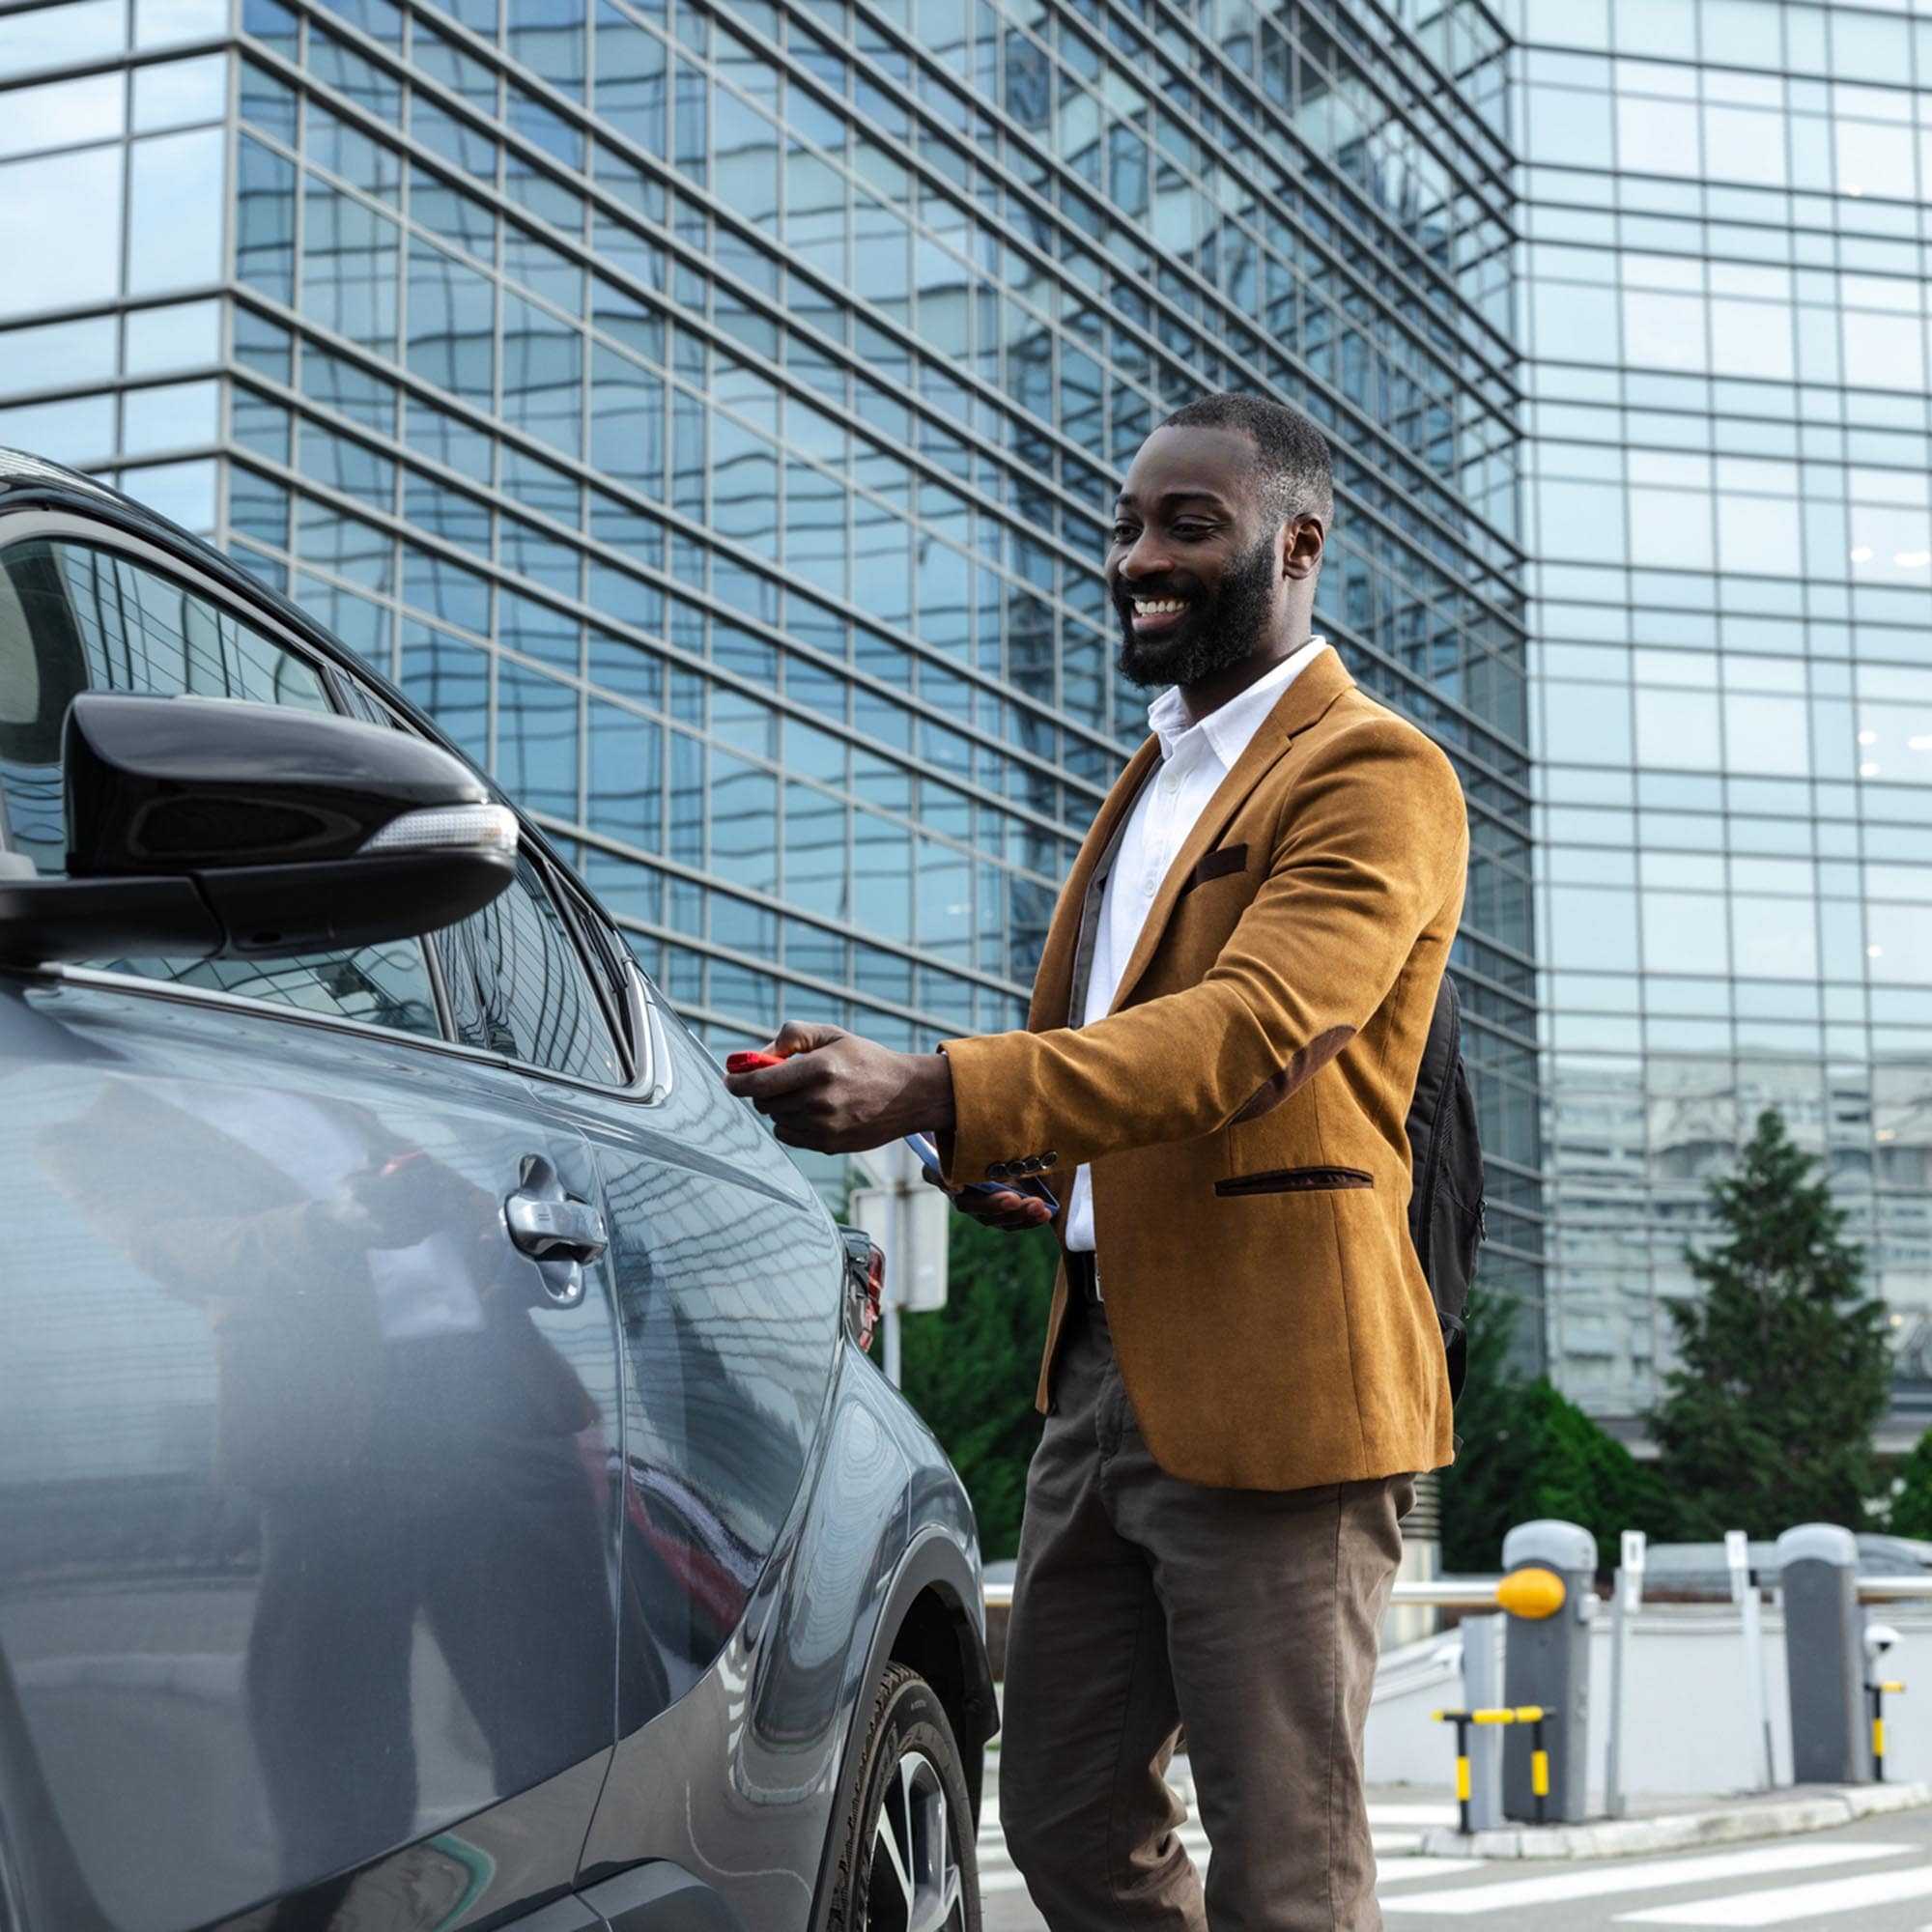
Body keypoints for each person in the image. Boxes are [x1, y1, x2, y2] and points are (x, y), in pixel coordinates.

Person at [724, 391, 1470, 1931]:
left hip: (1281, 1385)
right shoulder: (1153, 780)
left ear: (1298, 543)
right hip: (1103, 1378)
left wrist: (938, 1087)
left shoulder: (1373, 774)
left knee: (1289, 1856)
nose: (1138, 557)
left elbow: (1254, 1032)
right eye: (1128, 527)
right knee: (1061, 1809)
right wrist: (1020, 1166)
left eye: (1187, 527)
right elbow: (1123, 1078)